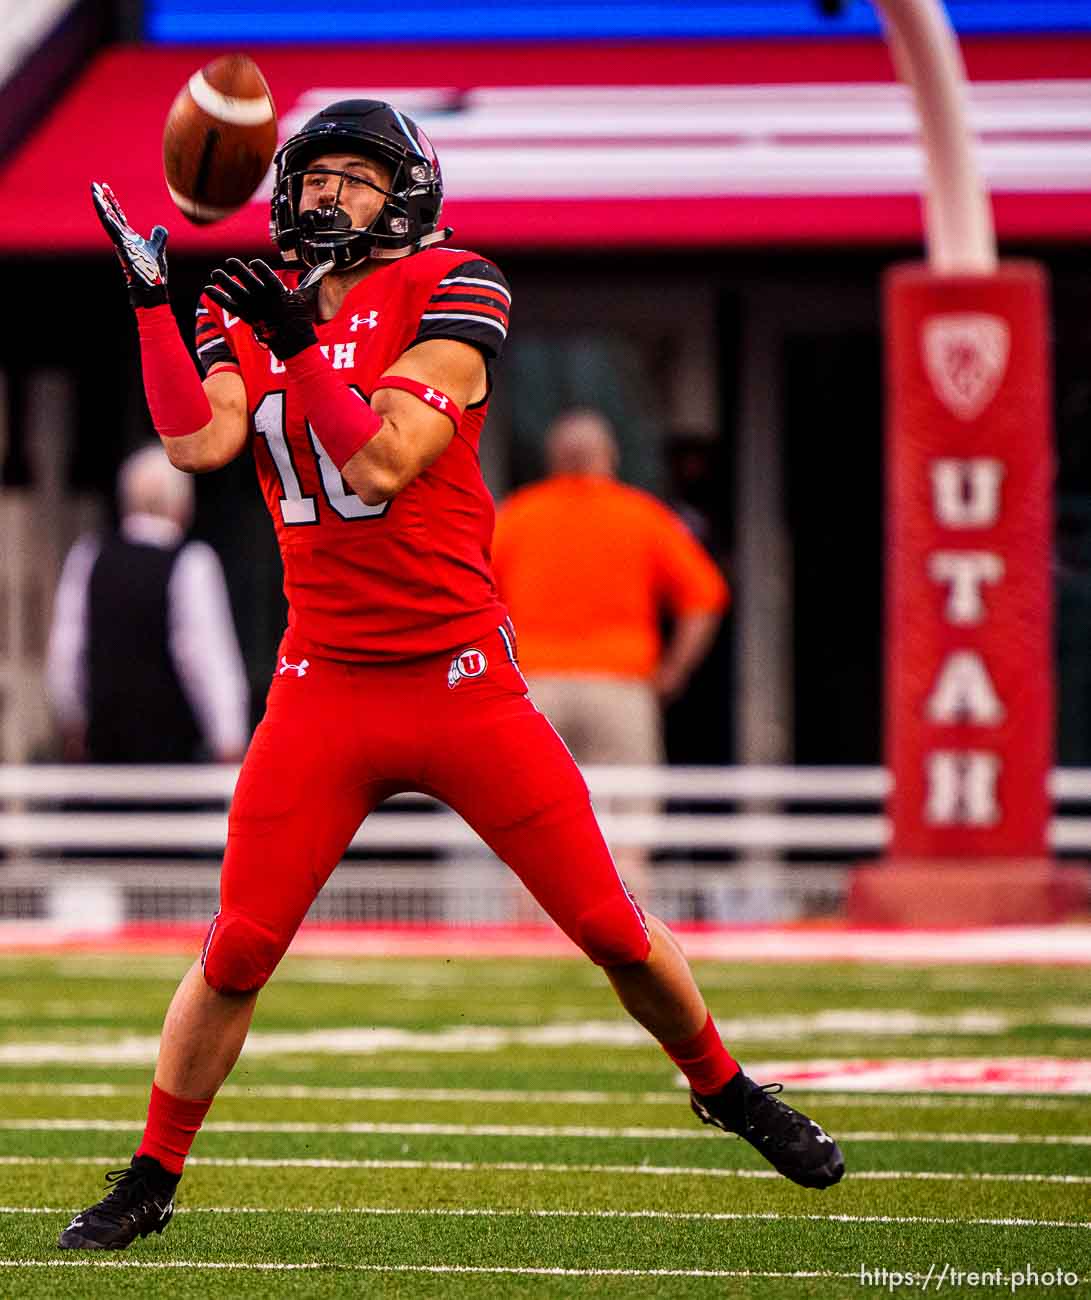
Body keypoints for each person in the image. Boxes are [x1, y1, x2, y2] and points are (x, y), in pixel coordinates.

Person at [59, 99, 843, 1252]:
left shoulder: (454, 283)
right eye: (313, 176)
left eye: (354, 178)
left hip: (457, 675)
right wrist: (152, 310)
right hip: (323, 680)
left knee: (609, 926)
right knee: (237, 947)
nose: (327, 196)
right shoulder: (254, 296)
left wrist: (290, 344)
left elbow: (379, 462)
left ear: (407, 194)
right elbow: (197, 442)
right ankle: (152, 1171)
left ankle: (721, 1082)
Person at [492, 409, 729, 890]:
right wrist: (673, 671)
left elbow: (473, 597)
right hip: (620, 689)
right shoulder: (641, 515)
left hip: (534, 690)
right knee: (626, 831)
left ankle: (528, 938)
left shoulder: (517, 515)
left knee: (533, 824)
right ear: (610, 456)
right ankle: (627, 942)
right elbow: (706, 597)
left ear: (554, 458)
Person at [45, 443, 249, 763]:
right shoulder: (192, 563)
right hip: (174, 760)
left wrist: (73, 724)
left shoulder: (89, 556)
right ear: (182, 506)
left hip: (102, 756)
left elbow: (66, 653)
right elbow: (206, 659)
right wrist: (230, 739)